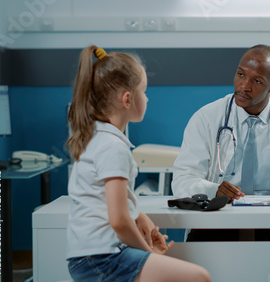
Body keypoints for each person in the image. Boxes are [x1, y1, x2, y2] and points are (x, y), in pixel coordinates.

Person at [65, 45, 211, 282]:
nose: (147, 97)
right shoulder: (114, 147)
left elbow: (110, 203)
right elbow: (119, 221)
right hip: (103, 259)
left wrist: (139, 214)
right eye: (144, 91)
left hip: (90, 257)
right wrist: (149, 252)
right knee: (200, 277)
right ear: (127, 98)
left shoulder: (99, 137)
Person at [172, 44, 270, 241]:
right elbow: (182, 179)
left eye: (256, 81)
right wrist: (214, 190)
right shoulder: (207, 118)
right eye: (240, 75)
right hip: (218, 220)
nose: (244, 86)